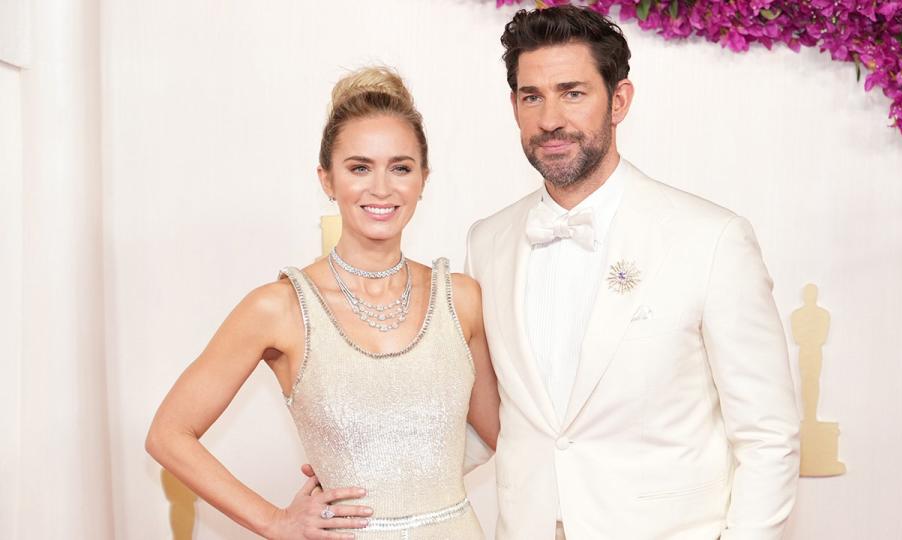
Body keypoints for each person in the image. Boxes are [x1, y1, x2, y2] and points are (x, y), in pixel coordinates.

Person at [462, 6, 800, 539]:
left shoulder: (711, 238)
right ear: (514, 106)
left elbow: (767, 435)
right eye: (533, 96)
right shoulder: (488, 241)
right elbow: (499, 419)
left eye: (573, 92)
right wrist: (372, 470)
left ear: (618, 100)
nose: (550, 119)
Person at [146, 66, 499, 540]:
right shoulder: (280, 308)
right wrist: (274, 521)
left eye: (400, 167)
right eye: (359, 167)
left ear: (423, 179)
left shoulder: (461, 298)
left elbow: (503, 434)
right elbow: (168, 434)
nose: (381, 187)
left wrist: (425, 475)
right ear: (327, 179)